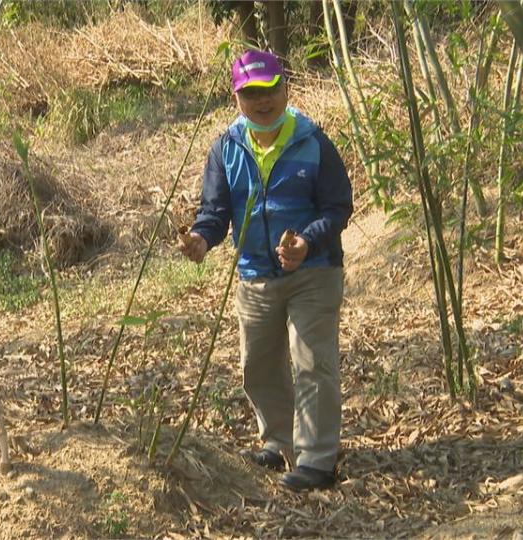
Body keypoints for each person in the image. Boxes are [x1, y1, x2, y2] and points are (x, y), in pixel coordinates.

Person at [178, 49, 352, 491]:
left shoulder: (313, 141)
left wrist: (307, 240)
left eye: (269, 90)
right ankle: (281, 439)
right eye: (250, 93)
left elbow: (337, 206)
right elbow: (215, 211)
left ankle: (317, 460)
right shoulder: (226, 148)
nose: (261, 101)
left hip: (314, 271)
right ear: (236, 97)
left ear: (285, 88)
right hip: (255, 273)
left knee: (313, 362)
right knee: (258, 366)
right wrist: (201, 238)